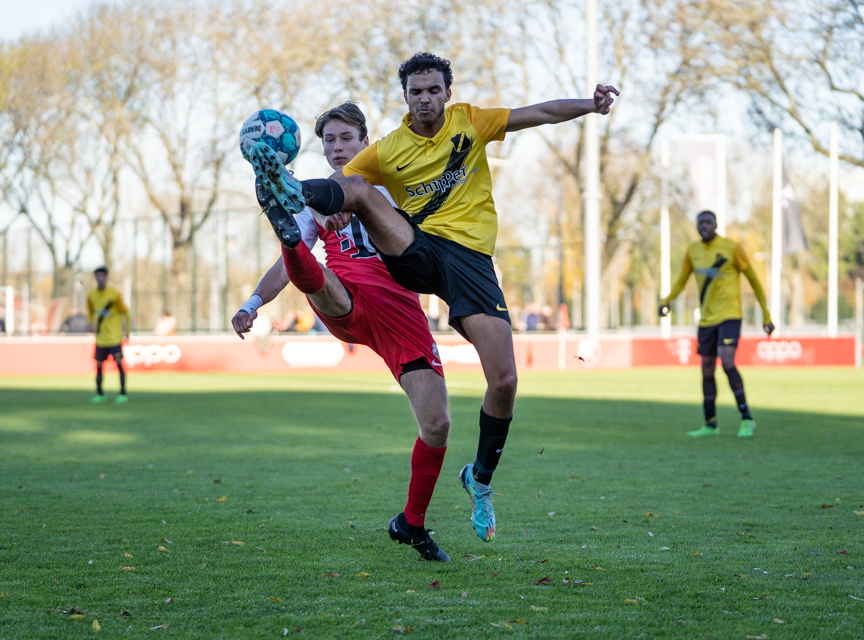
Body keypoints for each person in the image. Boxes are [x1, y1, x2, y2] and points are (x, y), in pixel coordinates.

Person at [249, 52, 617, 543]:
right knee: (354, 192)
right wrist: (309, 200)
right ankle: (290, 193)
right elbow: (341, 189)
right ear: (405, 97)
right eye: (415, 91)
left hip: (467, 267)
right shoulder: (384, 152)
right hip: (415, 253)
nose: (424, 98)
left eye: (432, 90)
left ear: (446, 92)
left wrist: (589, 106)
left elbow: (538, 113)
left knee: (504, 381)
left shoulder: (470, 122)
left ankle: (479, 480)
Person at [234, 102, 452, 561]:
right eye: (329, 140)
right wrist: (253, 303)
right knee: (317, 277)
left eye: (345, 139)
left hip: (402, 313)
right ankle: (290, 237)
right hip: (349, 296)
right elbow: (280, 273)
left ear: (365, 141)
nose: (336, 148)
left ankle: (411, 525)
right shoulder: (311, 198)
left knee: (437, 424)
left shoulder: (394, 185)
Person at [658, 210, 774, 438]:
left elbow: (755, 282)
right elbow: (681, 280)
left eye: (708, 222)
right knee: (707, 368)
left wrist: (766, 315)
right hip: (707, 320)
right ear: (696, 226)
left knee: (727, 361)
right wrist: (666, 300)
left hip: (730, 315)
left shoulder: (732, 248)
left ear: (716, 224)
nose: (704, 225)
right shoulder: (693, 251)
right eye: (700, 222)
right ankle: (710, 424)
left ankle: (747, 419)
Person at [86, 266, 130, 404]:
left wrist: (127, 331)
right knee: (99, 365)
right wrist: (90, 323)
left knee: (118, 363)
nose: (100, 279)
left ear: (107, 277)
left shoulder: (114, 294)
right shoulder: (91, 296)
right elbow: (90, 311)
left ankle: (122, 393)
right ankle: (100, 393)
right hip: (100, 338)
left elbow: (126, 312)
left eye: (103, 276)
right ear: (95, 278)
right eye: (98, 276)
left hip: (114, 337)